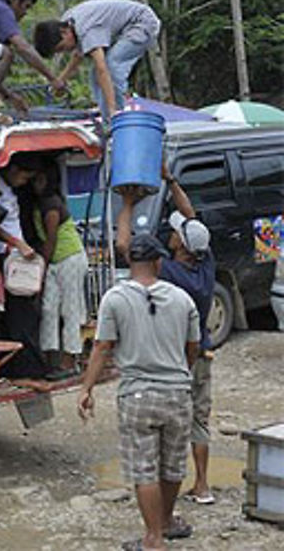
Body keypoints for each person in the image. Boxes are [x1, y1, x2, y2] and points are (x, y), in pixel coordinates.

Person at [80, 233, 200, 551]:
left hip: (137, 396)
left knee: (144, 469)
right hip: (177, 393)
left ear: (130, 262)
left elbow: (102, 346)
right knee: (173, 465)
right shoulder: (182, 299)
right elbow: (193, 347)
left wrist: (86, 388)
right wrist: (180, 375)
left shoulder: (115, 299)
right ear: (159, 262)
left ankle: (153, 538)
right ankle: (168, 521)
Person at [116, 165, 216, 506]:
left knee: (159, 434)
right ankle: (202, 485)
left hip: (170, 362)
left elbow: (125, 246)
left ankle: (157, 496)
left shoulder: (168, 272)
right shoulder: (205, 265)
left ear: (181, 246)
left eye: (175, 233)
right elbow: (191, 219)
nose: (172, 233)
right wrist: (171, 181)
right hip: (202, 354)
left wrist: (128, 205)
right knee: (199, 419)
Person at [33, 0, 160, 119]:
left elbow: (102, 69)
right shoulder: (68, 22)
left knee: (111, 66)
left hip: (142, 22)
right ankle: (106, 112)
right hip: (124, 29)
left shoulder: (87, 31)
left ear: (64, 32)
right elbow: (78, 55)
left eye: (62, 48)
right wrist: (60, 80)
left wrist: (112, 110)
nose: (64, 51)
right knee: (94, 76)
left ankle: (116, 118)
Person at [0, 155, 50, 384]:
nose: (23, 182)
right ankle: (23, 372)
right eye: (23, 176)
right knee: (21, 313)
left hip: (15, 253)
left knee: (22, 313)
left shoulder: (7, 190)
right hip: (7, 254)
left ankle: (22, 370)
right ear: (12, 169)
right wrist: (18, 244)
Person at [31, 163, 88, 379]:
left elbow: (51, 240)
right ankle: (50, 356)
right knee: (49, 308)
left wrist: (42, 268)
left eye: (39, 180)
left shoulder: (51, 205)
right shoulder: (43, 203)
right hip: (56, 260)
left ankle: (69, 359)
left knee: (69, 309)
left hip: (69, 258)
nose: (36, 185)